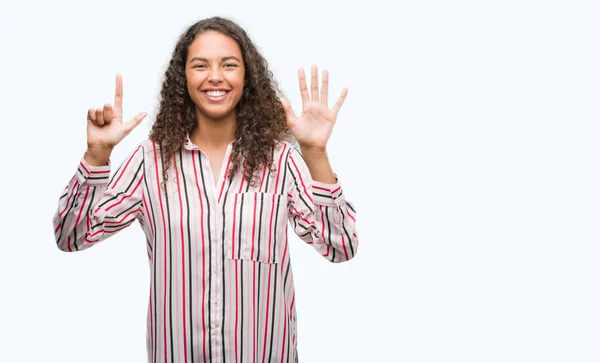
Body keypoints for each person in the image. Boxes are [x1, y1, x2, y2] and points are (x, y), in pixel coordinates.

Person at [53, 16, 358, 363]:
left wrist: (315, 154)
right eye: (200, 65)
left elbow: (342, 246)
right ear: (184, 78)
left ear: (247, 76)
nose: (215, 76)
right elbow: (70, 235)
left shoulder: (281, 161)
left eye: (229, 65)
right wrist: (97, 155)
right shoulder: (150, 163)